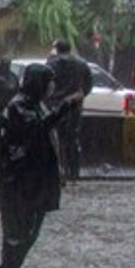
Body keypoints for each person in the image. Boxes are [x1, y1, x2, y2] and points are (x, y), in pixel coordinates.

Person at [0, 63, 80, 268]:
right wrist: (65, 106)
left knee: (28, 226)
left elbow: (50, 139)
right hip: (21, 179)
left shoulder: (36, 104)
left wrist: (60, 170)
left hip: (37, 177)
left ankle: (9, 267)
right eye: (48, 82)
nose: (52, 87)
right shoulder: (18, 106)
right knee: (22, 228)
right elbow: (38, 129)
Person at [46, 39, 93, 180]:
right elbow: (89, 84)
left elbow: (45, 83)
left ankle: (59, 170)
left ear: (57, 49)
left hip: (55, 105)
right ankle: (74, 172)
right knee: (72, 138)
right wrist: (81, 94)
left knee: (56, 139)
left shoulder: (51, 64)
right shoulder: (82, 64)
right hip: (74, 105)